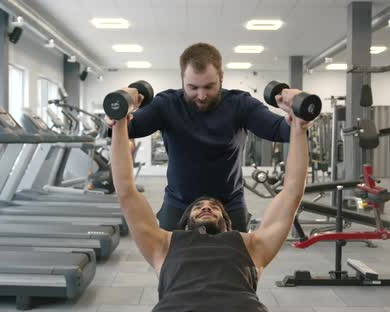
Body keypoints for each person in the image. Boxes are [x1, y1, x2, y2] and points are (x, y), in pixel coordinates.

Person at [110, 88, 310, 311]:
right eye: (199, 207)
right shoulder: (165, 245)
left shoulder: (251, 245)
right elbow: (126, 192)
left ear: (229, 222)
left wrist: (298, 128)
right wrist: (119, 124)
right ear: (183, 223)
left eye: (214, 206)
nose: (206, 205)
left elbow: (292, 192)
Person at [106, 42, 298, 232]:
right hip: (179, 203)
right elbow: (125, 129)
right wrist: (118, 114)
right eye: (193, 87)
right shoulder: (167, 104)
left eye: (209, 87)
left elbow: (279, 130)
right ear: (182, 79)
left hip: (229, 205)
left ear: (221, 77)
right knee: (169, 260)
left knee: (238, 262)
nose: (201, 95)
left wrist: (296, 118)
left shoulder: (241, 104)